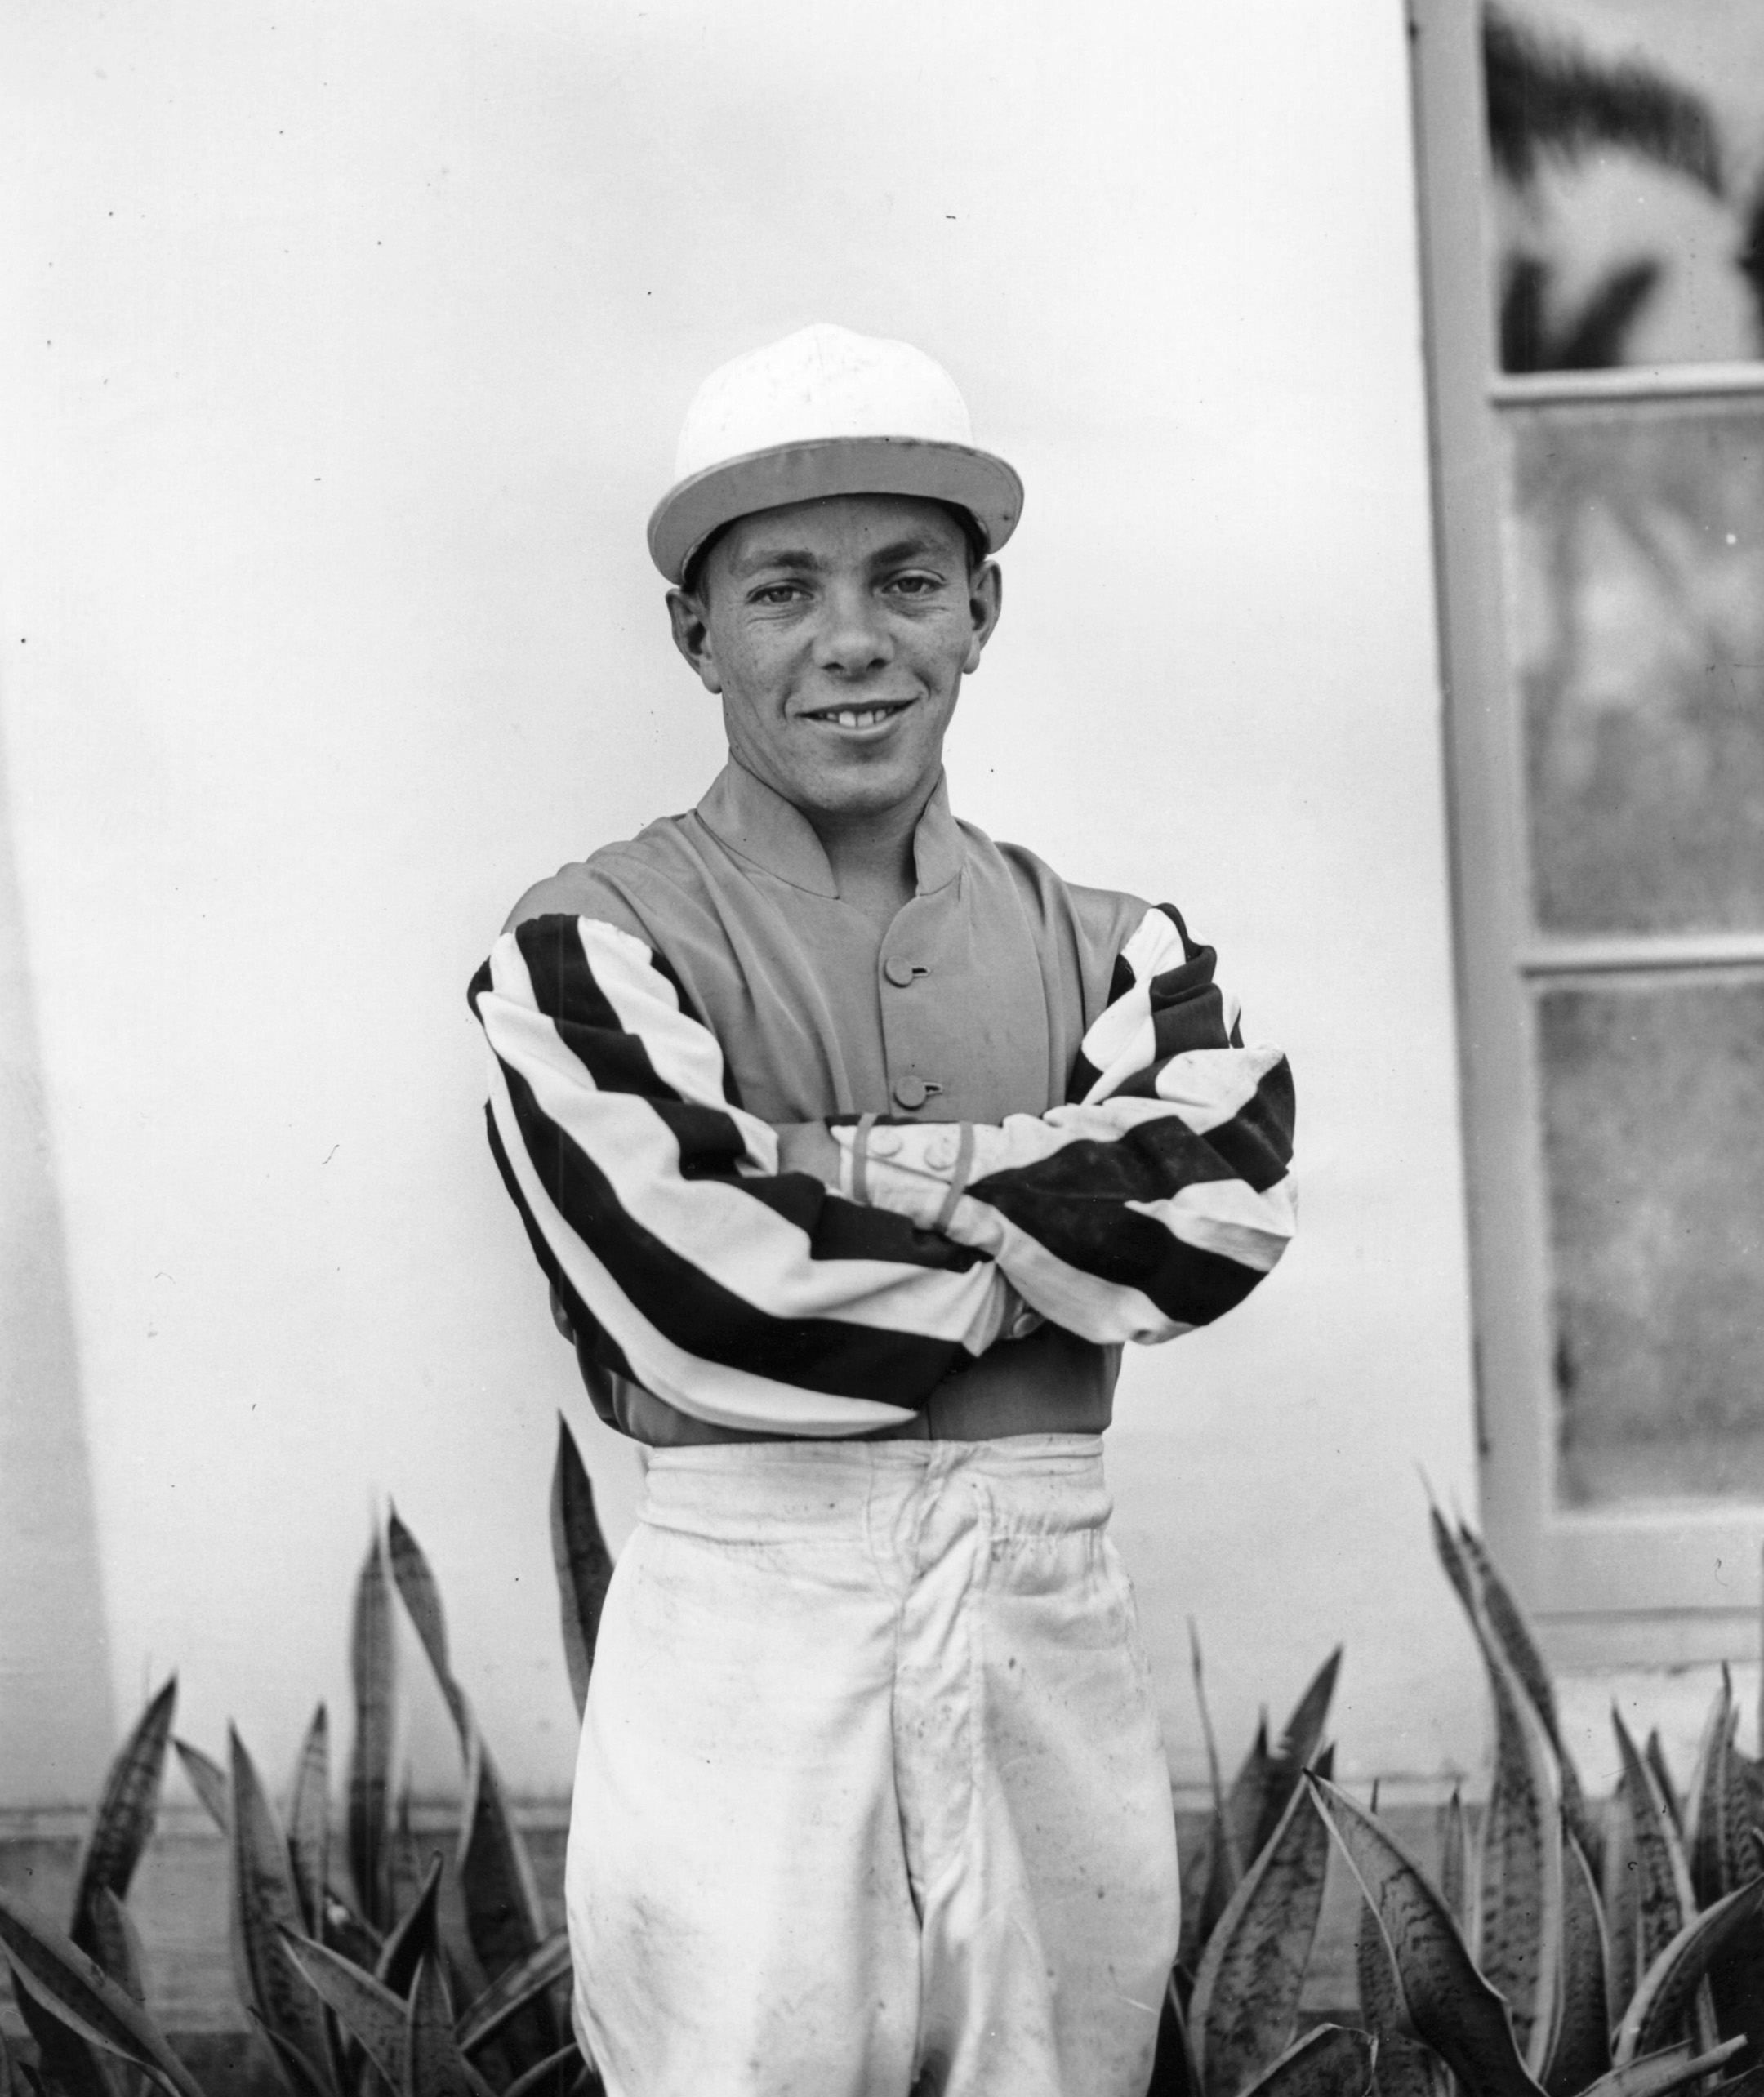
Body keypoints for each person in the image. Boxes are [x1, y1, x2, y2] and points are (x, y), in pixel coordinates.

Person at [469, 323, 1296, 2097]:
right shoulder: (587, 941)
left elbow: (1218, 1208)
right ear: (696, 632)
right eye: (781, 590)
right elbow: (710, 1295)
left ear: (980, 614)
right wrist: (1046, 1200)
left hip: (1041, 1596)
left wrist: (832, 1175)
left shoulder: (1119, 941)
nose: (854, 639)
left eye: (908, 580)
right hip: (750, 1608)